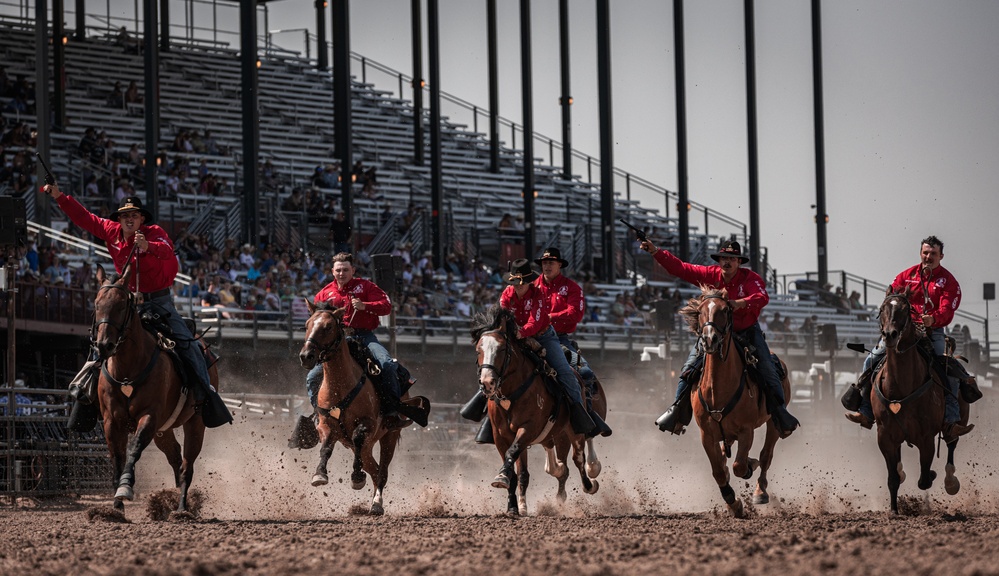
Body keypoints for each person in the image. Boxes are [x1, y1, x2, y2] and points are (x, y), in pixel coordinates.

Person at [42, 182, 231, 428]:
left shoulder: (155, 233)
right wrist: (59, 196)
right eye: (124, 216)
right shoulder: (111, 231)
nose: (129, 219)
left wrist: (147, 246)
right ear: (119, 219)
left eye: (133, 215)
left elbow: (166, 250)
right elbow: (85, 218)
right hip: (130, 302)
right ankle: (86, 398)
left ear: (142, 218)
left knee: (188, 344)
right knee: (101, 340)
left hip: (159, 301)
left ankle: (206, 395)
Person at [641, 239, 799, 437]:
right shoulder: (710, 274)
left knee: (768, 368)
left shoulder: (750, 278)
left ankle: (779, 414)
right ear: (719, 260)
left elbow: (762, 297)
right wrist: (656, 252)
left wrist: (739, 303)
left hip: (747, 331)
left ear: (739, 262)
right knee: (688, 369)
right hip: (716, 331)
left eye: (732, 258)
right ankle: (677, 413)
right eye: (724, 257)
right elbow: (680, 268)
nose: (727, 262)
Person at [844, 235, 972, 442]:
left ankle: (951, 418)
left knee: (949, 368)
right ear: (921, 253)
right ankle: (866, 411)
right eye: (925, 253)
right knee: (871, 359)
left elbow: (948, 309)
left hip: (933, 332)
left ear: (941, 256)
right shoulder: (906, 275)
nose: (928, 257)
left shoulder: (948, 281)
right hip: (902, 331)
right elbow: (891, 299)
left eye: (933, 254)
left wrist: (934, 319)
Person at [466, 259, 599, 438]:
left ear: (529, 282)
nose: (517, 287)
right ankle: (489, 416)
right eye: (514, 283)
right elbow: (502, 316)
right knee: (495, 368)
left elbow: (535, 321)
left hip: (544, 336)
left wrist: (522, 332)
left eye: (520, 284)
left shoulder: (538, 295)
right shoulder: (507, 294)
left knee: (564, 371)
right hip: (516, 336)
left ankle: (578, 411)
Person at [300, 252, 406, 428]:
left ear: (353, 270)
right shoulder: (323, 294)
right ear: (332, 271)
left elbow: (387, 306)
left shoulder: (366, 286)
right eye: (338, 270)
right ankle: (318, 416)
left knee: (386, 364)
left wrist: (365, 306)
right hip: (337, 342)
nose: (342, 273)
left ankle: (391, 412)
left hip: (364, 335)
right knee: (312, 377)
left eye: (345, 270)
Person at [533, 247, 610, 436]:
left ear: (560, 265)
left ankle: (587, 414)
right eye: (544, 263)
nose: (547, 266)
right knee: (498, 366)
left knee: (584, 372)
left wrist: (549, 317)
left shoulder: (572, 287)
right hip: (532, 337)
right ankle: (489, 414)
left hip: (559, 339)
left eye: (551, 262)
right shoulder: (532, 286)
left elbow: (575, 314)